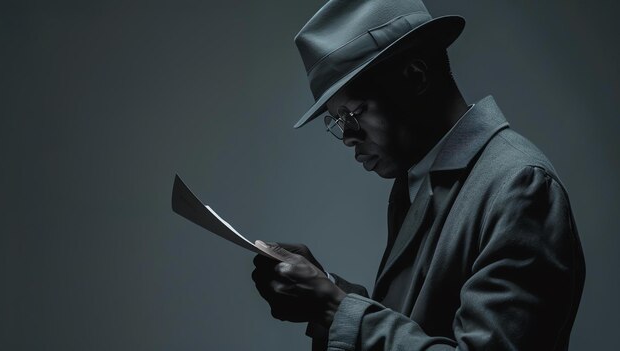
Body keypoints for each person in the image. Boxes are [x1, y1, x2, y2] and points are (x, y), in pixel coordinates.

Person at [251, 1, 586, 350]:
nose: (349, 136)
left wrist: (336, 308)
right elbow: (417, 325)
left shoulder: (519, 187)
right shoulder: (417, 179)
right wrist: (325, 293)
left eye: (353, 113)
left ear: (416, 76)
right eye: (337, 121)